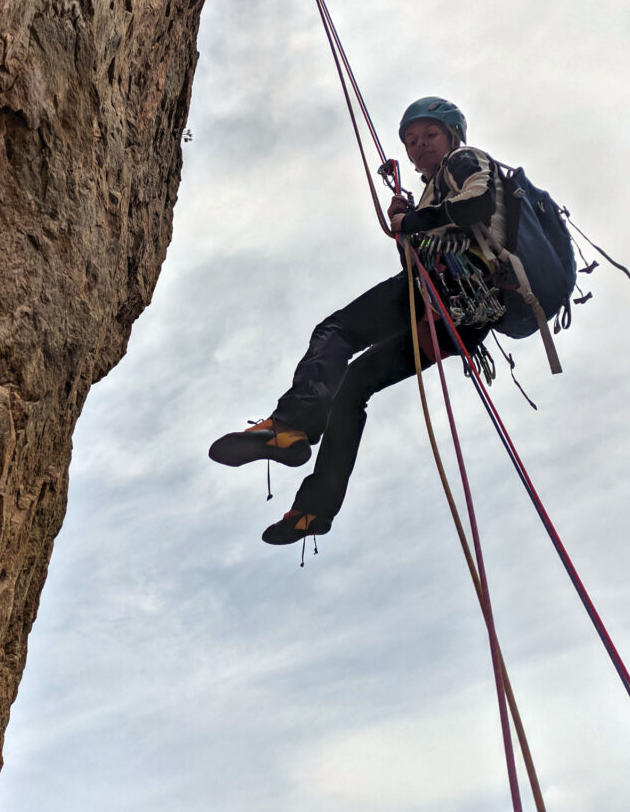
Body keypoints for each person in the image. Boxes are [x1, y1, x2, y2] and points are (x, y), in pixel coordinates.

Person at [209, 97, 508, 545]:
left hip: (453, 289)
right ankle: (314, 510)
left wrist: (414, 219)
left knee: (336, 332)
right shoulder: (432, 187)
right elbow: (434, 233)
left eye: (429, 135)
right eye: (411, 141)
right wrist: (410, 226)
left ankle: (291, 424)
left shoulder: (464, 161)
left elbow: (478, 204)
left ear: (451, 136)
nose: (419, 145)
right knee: (352, 388)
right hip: (458, 318)